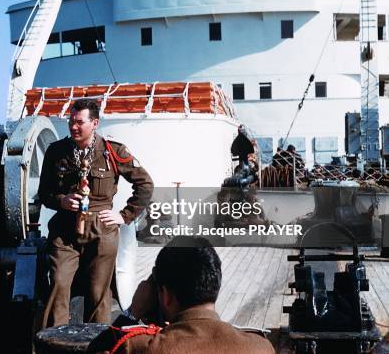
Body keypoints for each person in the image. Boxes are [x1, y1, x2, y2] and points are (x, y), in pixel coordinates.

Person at [39, 98, 154, 327]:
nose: (73, 127)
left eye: (79, 122)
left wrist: (124, 215)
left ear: (95, 123)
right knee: (58, 286)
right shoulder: (56, 152)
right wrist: (62, 201)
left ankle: (98, 346)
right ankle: (54, 344)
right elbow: (44, 193)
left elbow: (145, 184)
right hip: (65, 231)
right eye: (71, 121)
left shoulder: (112, 151)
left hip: (101, 229)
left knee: (98, 294)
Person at [88, 237, 275, 354]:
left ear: (166, 295)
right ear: (215, 284)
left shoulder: (139, 347)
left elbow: (96, 349)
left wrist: (132, 311)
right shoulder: (260, 346)